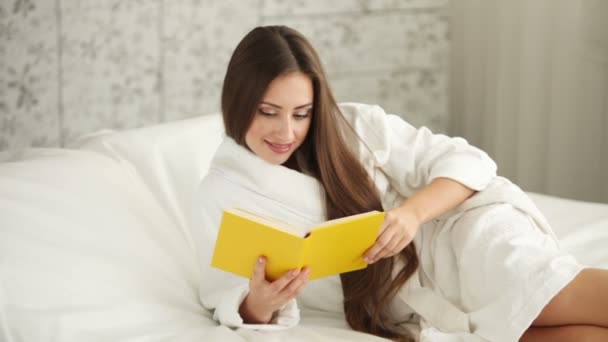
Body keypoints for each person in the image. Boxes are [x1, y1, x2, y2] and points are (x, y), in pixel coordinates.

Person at [190, 25, 608, 341]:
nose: (287, 131)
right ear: (239, 102)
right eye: (268, 111)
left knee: (553, 294)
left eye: (302, 113)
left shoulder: (352, 126)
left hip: (464, 241)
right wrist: (260, 303)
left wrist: (409, 215)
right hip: (406, 306)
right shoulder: (220, 195)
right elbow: (225, 298)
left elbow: (468, 162)